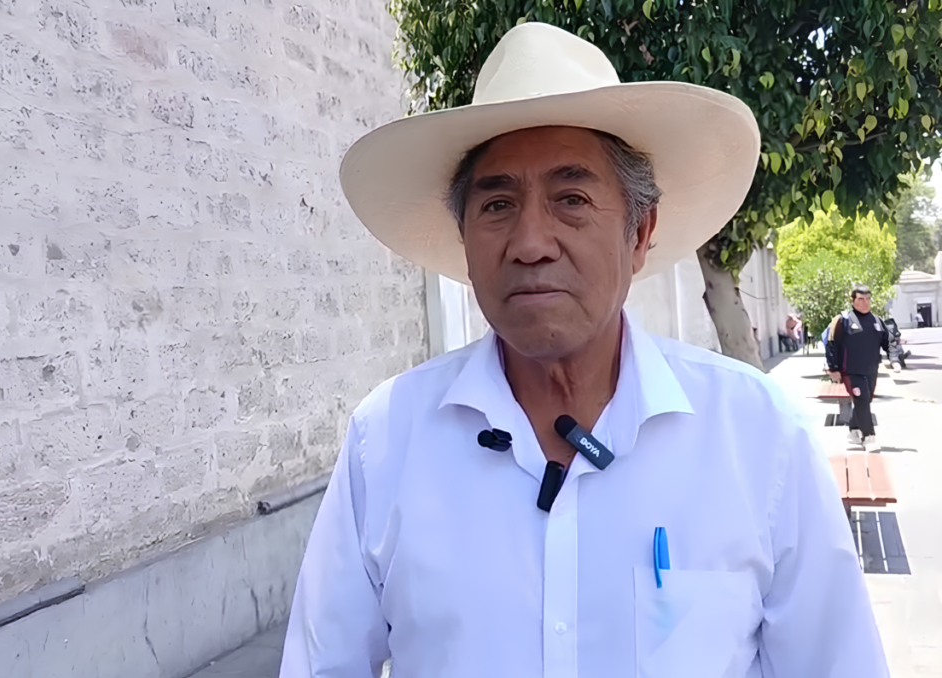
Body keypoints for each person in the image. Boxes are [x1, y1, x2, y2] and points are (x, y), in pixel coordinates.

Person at [280, 23, 887, 677]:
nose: (530, 242)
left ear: (640, 232)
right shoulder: (386, 442)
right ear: (464, 238)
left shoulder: (757, 437)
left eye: (571, 199)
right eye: (497, 205)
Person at [826, 285, 890, 453]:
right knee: (862, 400)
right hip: (851, 371)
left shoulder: (877, 321)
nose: (865, 302)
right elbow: (832, 344)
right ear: (853, 300)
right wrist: (832, 368)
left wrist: (894, 356)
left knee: (865, 400)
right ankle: (869, 437)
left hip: (871, 369)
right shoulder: (843, 320)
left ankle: (854, 431)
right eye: (860, 298)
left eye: (867, 298)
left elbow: (887, 342)